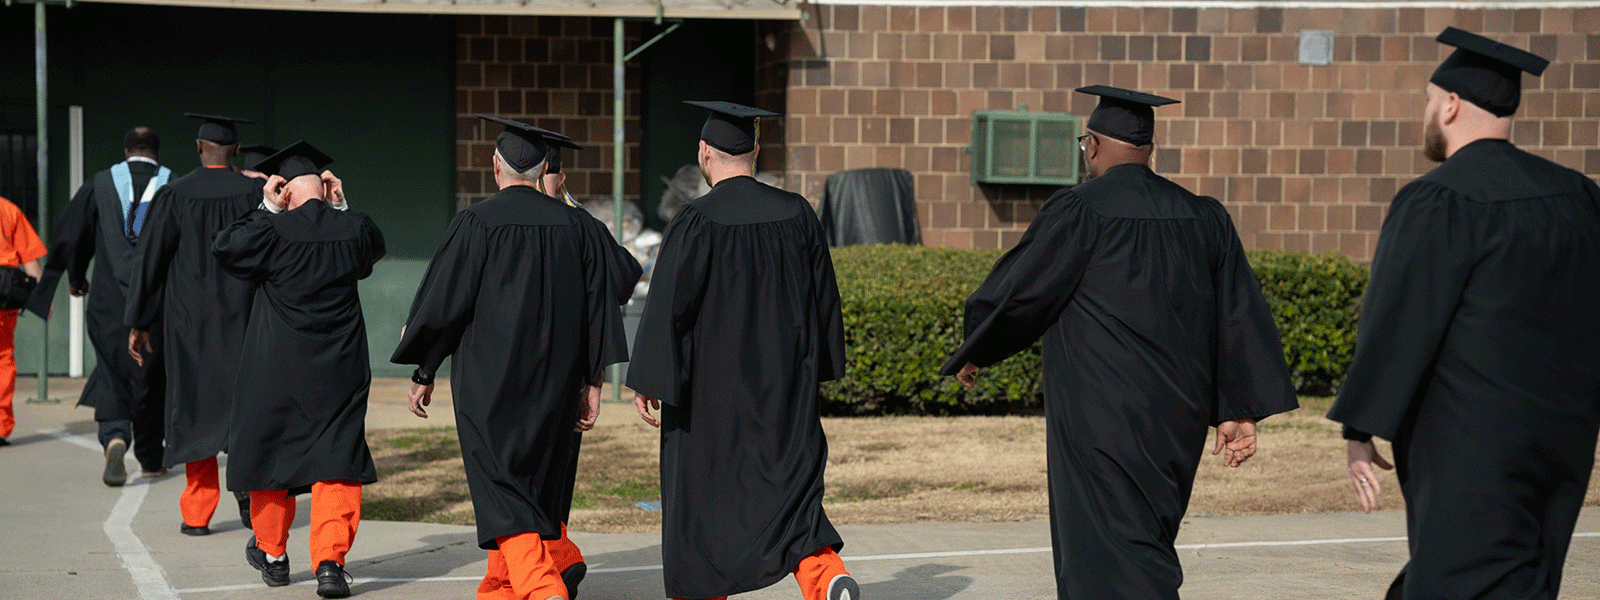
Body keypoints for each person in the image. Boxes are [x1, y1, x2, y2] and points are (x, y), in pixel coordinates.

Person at [941, 86, 1298, 599]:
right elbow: (1236, 314)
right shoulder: (1203, 216)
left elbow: (1023, 290)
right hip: (1177, 418)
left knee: (1105, 553)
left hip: (1099, 418)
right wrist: (1236, 406)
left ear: (1093, 146)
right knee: (1145, 541)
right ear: (1147, 149)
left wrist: (979, 344)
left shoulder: (1080, 210)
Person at [1326, 28, 1600, 600]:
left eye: (1429, 101)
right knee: (1523, 576)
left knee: (1462, 580)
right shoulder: (1577, 196)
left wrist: (1360, 427)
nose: (1428, 112)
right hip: (1563, 440)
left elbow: (1397, 322)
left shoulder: (1438, 199)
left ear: (1450, 104)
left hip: (1472, 444)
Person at [393, 115, 638, 600]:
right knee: (532, 487)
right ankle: (501, 589)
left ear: (495, 165)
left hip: (490, 383)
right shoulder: (579, 226)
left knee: (502, 487)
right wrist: (592, 381)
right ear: (548, 167)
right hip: (558, 384)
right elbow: (603, 300)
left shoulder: (477, 222)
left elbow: (446, 305)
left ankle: (542, 588)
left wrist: (425, 369)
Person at [629, 101, 858, 600]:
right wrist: (819, 369)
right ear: (756, 150)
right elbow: (824, 302)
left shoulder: (692, 221)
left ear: (704, 153)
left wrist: (650, 379)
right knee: (789, 487)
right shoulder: (797, 214)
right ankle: (825, 577)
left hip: (709, 397)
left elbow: (668, 308)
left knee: (703, 502)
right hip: (783, 390)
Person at [215, 141, 381, 599]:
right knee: (337, 461)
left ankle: (273, 554)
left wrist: (266, 206)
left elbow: (227, 248)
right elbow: (372, 249)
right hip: (339, 369)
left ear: (285, 190)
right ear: (325, 190)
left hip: (277, 368)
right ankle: (329, 562)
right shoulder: (352, 228)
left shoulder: (273, 231)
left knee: (269, 456)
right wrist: (341, 204)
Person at [124, 113, 259, 535]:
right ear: (236, 150)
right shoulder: (255, 193)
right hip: (248, 320)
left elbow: (151, 261)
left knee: (194, 409)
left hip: (188, 324)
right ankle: (250, 498)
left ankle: (197, 514)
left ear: (199, 149)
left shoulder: (174, 195)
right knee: (246, 409)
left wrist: (140, 321)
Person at [32, 127, 170, 485]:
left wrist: (76, 279)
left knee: (111, 369)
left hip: (109, 302)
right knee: (152, 376)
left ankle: (115, 435)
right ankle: (152, 459)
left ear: (127, 151)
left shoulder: (102, 183)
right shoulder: (172, 185)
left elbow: (74, 235)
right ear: (157, 152)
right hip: (157, 302)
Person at [0, 194, 46, 447]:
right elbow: (31, 264)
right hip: (3, 292)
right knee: (2, 356)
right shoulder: (9, 210)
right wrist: (41, 301)